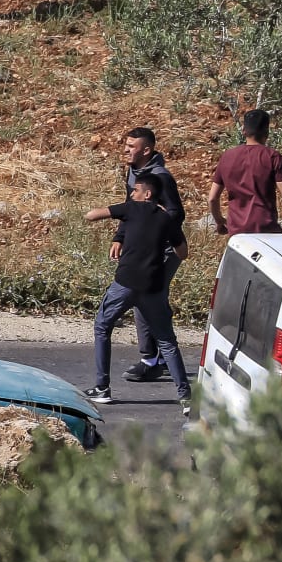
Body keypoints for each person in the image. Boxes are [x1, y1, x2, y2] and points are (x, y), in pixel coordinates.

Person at [82, 177, 191, 414]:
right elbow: (183, 253)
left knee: (102, 327)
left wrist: (119, 225)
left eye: (136, 191)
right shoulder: (166, 218)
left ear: (148, 194)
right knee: (167, 342)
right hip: (153, 286)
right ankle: (186, 398)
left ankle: (102, 388)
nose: (131, 194)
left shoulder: (131, 208)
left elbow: (91, 215)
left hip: (125, 283)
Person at [115, 127, 186, 385]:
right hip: (145, 248)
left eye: (131, 146)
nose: (125, 150)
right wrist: (120, 237)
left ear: (147, 150)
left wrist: (153, 232)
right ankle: (162, 358)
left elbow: (177, 213)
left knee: (144, 298)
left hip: (165, 249)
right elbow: (130, 208)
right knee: (153, 301)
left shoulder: (160, 177)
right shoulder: (135, 172)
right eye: (126, 144)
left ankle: (150, 361)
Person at [207, 109, 282, 236]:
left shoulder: (227, 157)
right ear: (267, 132)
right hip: (266, 230)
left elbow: (212, 199)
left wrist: (219, 220)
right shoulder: (273, 157)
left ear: (244, 131)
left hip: (237, 232)